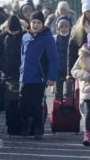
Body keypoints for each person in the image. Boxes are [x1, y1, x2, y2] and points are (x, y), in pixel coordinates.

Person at [20, 11, 58, 140]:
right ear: (30, 23)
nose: (35, 25)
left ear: (43, 24)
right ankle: (25, 126)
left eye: (38, 23)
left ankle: (38, 129)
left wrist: (52, 77)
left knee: (36, 104)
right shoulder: (25, 37)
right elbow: (22, 57)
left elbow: (53, 59)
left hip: (39, 77)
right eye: (33, 22)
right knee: (24, 103)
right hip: (25, 76)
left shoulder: (47, 38)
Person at [0, 15, 23, 82]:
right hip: (6, 71)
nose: (13, 33)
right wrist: (1, 66)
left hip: (21, 71)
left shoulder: (25, 36)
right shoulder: (2, 36)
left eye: (15, 31)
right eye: (11, 31)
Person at [54, 15, 73, 99]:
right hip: (58, 68)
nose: (64, 28)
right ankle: (57, 106)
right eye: (61, 26)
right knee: (58, 90)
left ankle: (69, 107)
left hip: (69, 69)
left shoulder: (72, 38)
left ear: (70, 27)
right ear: (58, 28)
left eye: (66, 26)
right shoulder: (55, 39)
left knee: (69, 91)